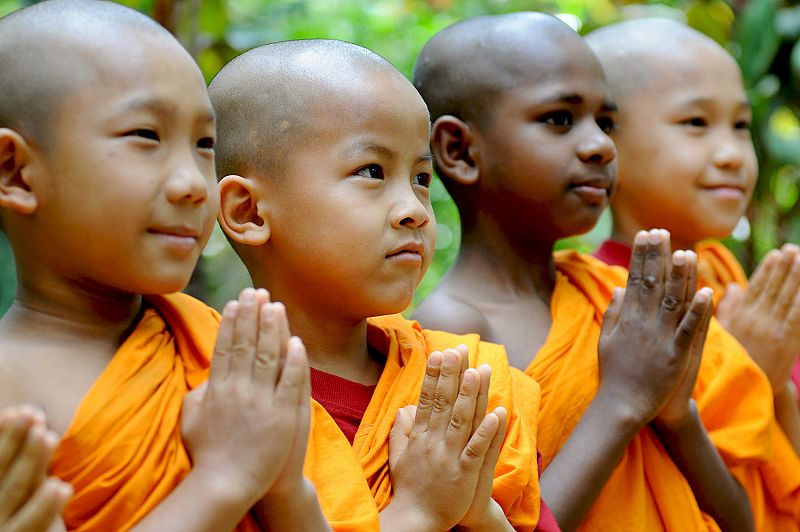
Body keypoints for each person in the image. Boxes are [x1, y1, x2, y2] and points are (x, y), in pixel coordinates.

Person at [412, 12, 775, 530]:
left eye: (605, 122)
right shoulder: (454, 326)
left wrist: (676, 415)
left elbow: (741, 520)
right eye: (560, 119)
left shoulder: (618, 298)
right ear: (459, 150)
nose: (601, 146)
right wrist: (623, 400)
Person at [0, 1, 326, 530]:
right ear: (14, 171)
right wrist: (226, 477)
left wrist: (285, 487)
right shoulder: (8, 387)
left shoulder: (225, 354)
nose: (194, 184)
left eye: (204, 145)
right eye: (146, 136)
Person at [209, 39, 556, 531]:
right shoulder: (217, 401)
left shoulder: (460, 389)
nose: (415, 210)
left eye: (420, 178)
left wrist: (482, 516)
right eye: (371, 171)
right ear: (248, 211)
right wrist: (423, 512)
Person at [587, 18, 800, 528]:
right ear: (604, 138)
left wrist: (770, 385)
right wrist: (747, 375)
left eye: (742, 126)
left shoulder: (741, 291)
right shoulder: (593, 304)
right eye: (696, 124)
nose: (732, 156)